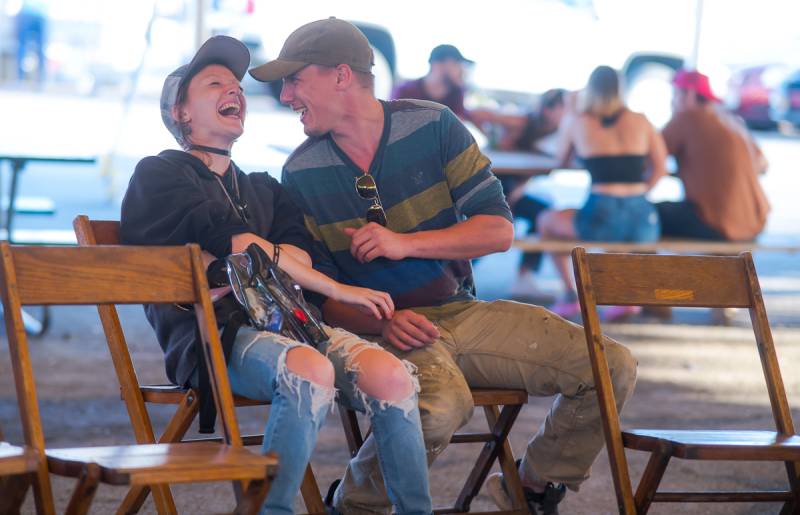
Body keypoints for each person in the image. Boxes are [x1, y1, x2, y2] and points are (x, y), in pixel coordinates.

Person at [250, 18, 638, 515]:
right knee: (439, 408)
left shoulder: (432, 125)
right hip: (379, 329)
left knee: (611, 366)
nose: (285, 96)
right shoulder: (301, 171)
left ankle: (533, 488)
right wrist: (383, 319)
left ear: (341, 75)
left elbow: (498, 230)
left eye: (294, 80)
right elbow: (319, 298)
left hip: (461, 311)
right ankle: (351, 505)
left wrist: (404, 244)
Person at [119, 36, 432, 515]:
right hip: (214, 337)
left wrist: (247, 259)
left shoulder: (263, 186)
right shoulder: (160, 175)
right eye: (215, 83)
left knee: (392, 378)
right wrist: (334, 286)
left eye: (237, 85)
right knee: (310, 369)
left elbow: (298, 259)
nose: (236, 91)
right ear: (181, 112)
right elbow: (235, 239)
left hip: (296, 328)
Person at [537, 66, 668, 320]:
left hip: (601, 213)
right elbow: (660, 166)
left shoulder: (580, 121)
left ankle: (569, 293)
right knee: (616, 230)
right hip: (642, 218)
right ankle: (624, 297)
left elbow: (559, 158)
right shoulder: (641, 120)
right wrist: (639, 193)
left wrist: (572, 113)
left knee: (547, 221)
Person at [657, 69, 770, 242]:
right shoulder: (730, 120)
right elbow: (762, 166)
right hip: (754, 223)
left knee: (644, 216)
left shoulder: (686, 117)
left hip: (717, 224)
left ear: (690, 94)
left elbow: (648, 153)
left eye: (676, 94)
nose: (672, 101)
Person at [493, 89, 567, 302]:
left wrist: (518, 190)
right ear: (548, 109)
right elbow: (486, 117)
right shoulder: (524, 122)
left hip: (514, 190)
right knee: (486, 226)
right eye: (564, 107)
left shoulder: (557, 133)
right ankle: (460, 275)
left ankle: (524, 277)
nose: (568, 112)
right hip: (494, 188)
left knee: (544, 211)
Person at [390, 44, 473, 120]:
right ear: (437, 65)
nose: (462, 70)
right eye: (456, 64)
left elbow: (460, 119)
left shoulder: (456, 92)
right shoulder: (406, 90)